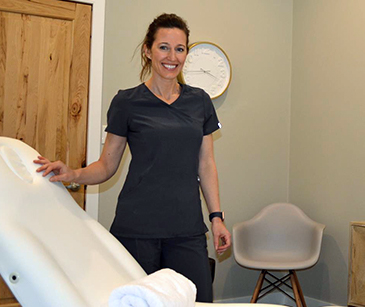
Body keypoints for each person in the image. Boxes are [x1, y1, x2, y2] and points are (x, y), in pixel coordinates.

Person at [34, 13, 231, 302]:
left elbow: (206, 165)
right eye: (164, 47)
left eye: (180, 49)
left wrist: (216, 218)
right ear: (148, 50)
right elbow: (106, 165)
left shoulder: (199, 101)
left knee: (197, 301)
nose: (172, 57)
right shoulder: (126, 102)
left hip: (186, 229)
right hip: (136, 228)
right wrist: (73, 174)